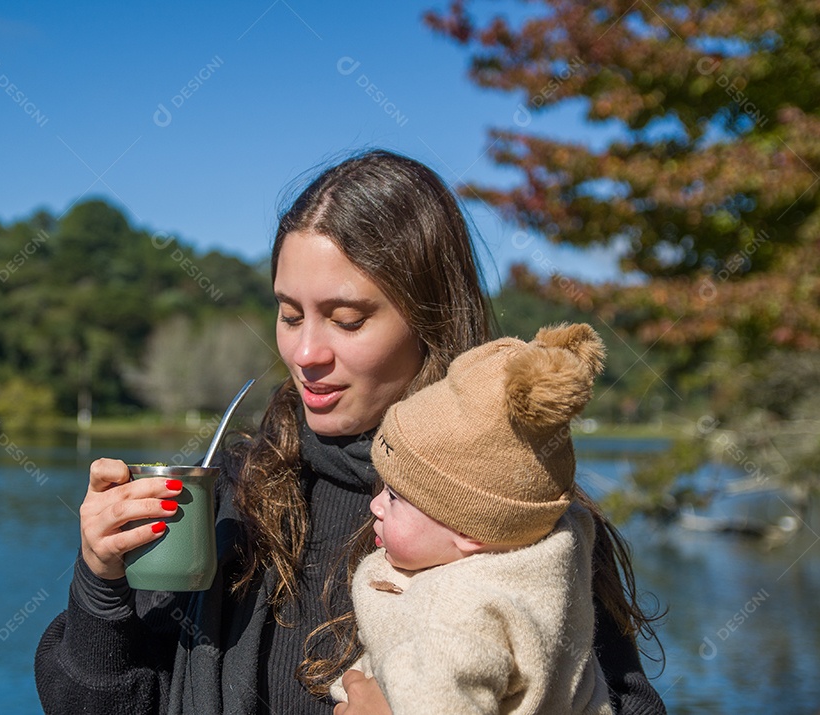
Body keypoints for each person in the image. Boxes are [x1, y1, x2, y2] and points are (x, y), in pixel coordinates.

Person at [34, 149, 666, 715]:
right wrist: (101, 580)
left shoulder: (515, 515)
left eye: (346, 320)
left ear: (431, 320)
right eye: (288, 314)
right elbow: (97, 703)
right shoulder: (236, 491)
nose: (305, 351)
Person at [327, 323, 613, 714]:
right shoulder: (559, 547)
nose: (375, 506)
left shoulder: (454, 617)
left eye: (394, 497)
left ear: (469, 531)